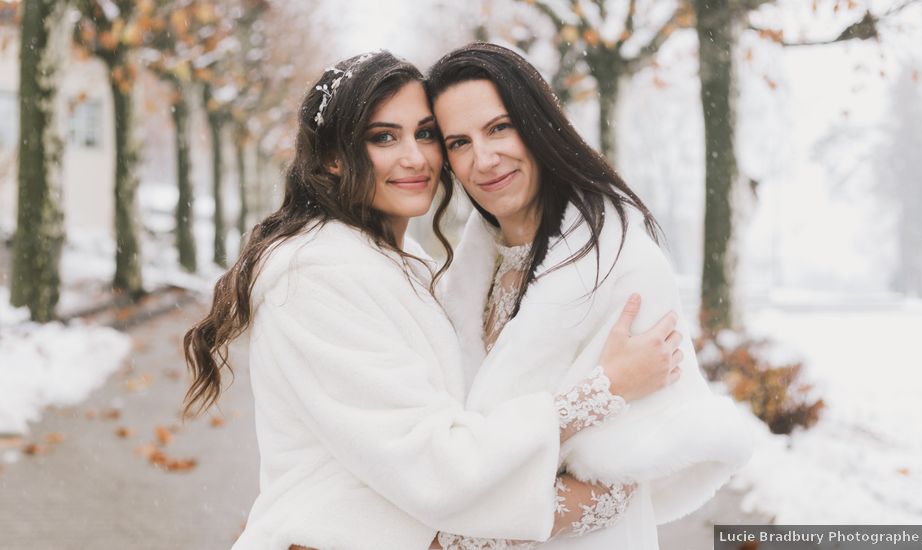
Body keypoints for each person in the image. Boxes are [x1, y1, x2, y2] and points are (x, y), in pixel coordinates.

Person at [181, 51, 684, 550]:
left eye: (426, 134)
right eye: (384, 137)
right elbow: (436, 464)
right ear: (332, 158)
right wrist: (602, 391)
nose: (416, 158)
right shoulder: (318, 275)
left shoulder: (405, 260)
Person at [427, 43, 756, 549]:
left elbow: (616, 482)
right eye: (459, 142)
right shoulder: (465, 280)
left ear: (536, 124)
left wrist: (458, 538)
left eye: (499, 127)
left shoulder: (623, 265)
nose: (484, 159)